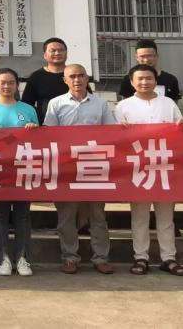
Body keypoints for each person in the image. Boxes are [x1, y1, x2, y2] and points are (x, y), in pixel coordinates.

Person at [116, 63, 183, 277]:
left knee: (166, 217)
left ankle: (169, 258)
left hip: (164, 167)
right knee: (139, 216)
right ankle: (141, 257)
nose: (145, 82)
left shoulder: (168, 103)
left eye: (149, 78)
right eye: (140, 79)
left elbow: (182, 127)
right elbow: (116, 138)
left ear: (156, 80)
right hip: (138, 168)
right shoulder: (123, 106)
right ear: (132, 82)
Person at [45, 62, 115, 275]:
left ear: (87, 78)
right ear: (65, 80)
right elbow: (48, 134)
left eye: (81, 75)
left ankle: (101, 258)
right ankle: (70, 257)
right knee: (67, 215)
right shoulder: (56, 103)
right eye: (72, 76)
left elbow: (112, 133)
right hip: (66, 167)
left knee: (97, 215)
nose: (77, 80)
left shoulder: (100, 104)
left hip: (94, 166)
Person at [0, 67, 40, 277]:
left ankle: (23, 258)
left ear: (17, 85)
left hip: (23, 168)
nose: (7, 86)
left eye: (11, 82)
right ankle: (3, 259)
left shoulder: (28, 109)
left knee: (22, 216)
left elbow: (40, 140)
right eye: (3, 82)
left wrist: (33, 129)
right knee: (0, 216)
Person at [116, 39, 183, 103]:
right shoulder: (128, 79)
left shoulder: (170, 79)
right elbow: (125, 105)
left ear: (156, 56)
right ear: (137, 57)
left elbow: (174, 105)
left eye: (149, 56)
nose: (146, 60)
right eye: (142, 56)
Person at [21, 36, 70, 122]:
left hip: (72, 123)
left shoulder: (74, 74)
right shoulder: (37, 76)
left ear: (66, 54)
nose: (57, 53)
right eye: (53, 50)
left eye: (61, 50)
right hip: (45, 124)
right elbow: (27, 104)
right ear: (45, 55)